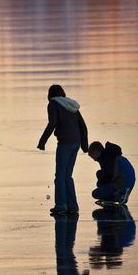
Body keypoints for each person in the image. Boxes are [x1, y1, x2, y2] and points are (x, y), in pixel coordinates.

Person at [37, 84, 89, 215]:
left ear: (50, 95)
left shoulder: (53, 104)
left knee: (60, 175)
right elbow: (83, 126)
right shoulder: (72, 105)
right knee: (68, 176)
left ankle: (61, 205)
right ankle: (72, 206)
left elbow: (52, 123)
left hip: (65, 143)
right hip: (75, 143)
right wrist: (84, 145)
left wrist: (42, 141)